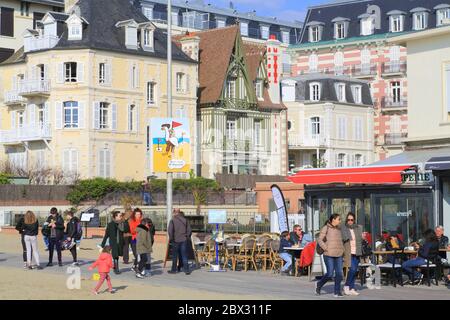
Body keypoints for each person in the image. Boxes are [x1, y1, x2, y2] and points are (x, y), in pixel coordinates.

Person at [315, 214, 345, 298]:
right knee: (329, 274)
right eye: (339, 219)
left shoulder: (339, 229)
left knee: (339, 273)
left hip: (339, 254)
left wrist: (343, 250)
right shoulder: (326, 227)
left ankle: (337, 291)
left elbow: (341, 241)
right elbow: (319, 239)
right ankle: (319, 284)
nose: (340, 221)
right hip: (328, 254)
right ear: (333, 220)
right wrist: (325, 248)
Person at [341, 212, 363, 296]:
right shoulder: (344, 228)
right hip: (349, 252)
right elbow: (344, 238)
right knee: (352, 269)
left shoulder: (358, 228)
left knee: (355, 271)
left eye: (352, 220)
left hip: (357, 252)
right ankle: (346, 286)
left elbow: (360, 240)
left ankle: (352, 287)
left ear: (354, 220)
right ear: (347, 220)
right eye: (348, 219)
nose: (350, 221)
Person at [168, 209, 192, 275]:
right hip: (184, 239)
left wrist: (171, 238)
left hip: (175, 240)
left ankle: (173, 270)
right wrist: (187, 237)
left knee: (175, 256)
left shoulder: (172, 220)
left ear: (174, 213)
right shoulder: (185, 220)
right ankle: (186, 270)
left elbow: (170, 231)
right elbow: (189, 230)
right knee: (184, 255)